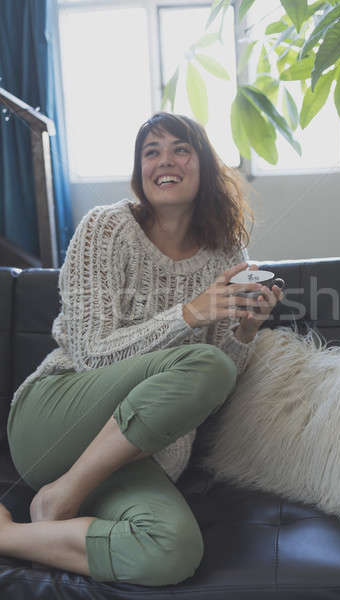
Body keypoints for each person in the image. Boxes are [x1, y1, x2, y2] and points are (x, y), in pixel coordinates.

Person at [2, 112, 283, 585]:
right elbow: (92, 355)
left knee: (172, 551)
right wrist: (190, 312)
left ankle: (13, 534)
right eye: (151, 151)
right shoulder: (106, 229)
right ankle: (63, 492)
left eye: (180, 149)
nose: (164, 160)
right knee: (204, 362)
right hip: (55, 418)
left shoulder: (224, 253)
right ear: (139, 170)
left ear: (204, 166)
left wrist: (244, 332)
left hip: (133, 452)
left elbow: (213, 381)